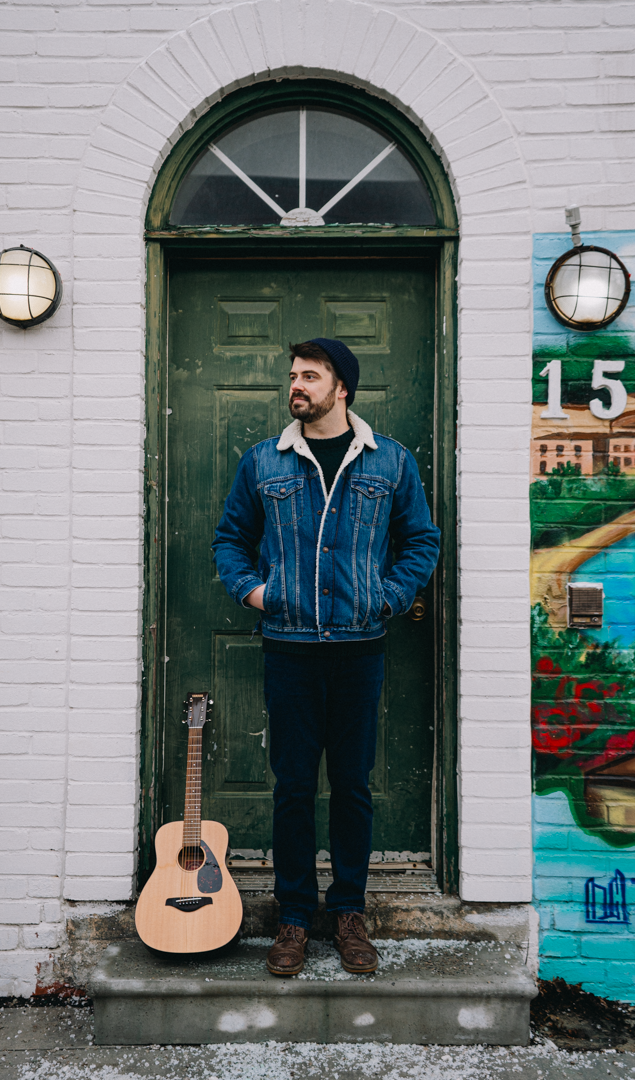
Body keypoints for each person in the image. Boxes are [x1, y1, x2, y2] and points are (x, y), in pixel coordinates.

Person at [213, 339, 440, 976]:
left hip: (358, 650)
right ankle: (292, 917)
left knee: (351, 786)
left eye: (310, 376)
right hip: (288, 648)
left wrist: (387, 597)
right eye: (293, 375)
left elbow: (420, 541)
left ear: (342, 389)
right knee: (291, 786)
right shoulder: (265, 462)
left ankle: (347, 912)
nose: (296, 385)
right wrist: (256, 591)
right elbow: (230, 540)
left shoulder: (389, 461)